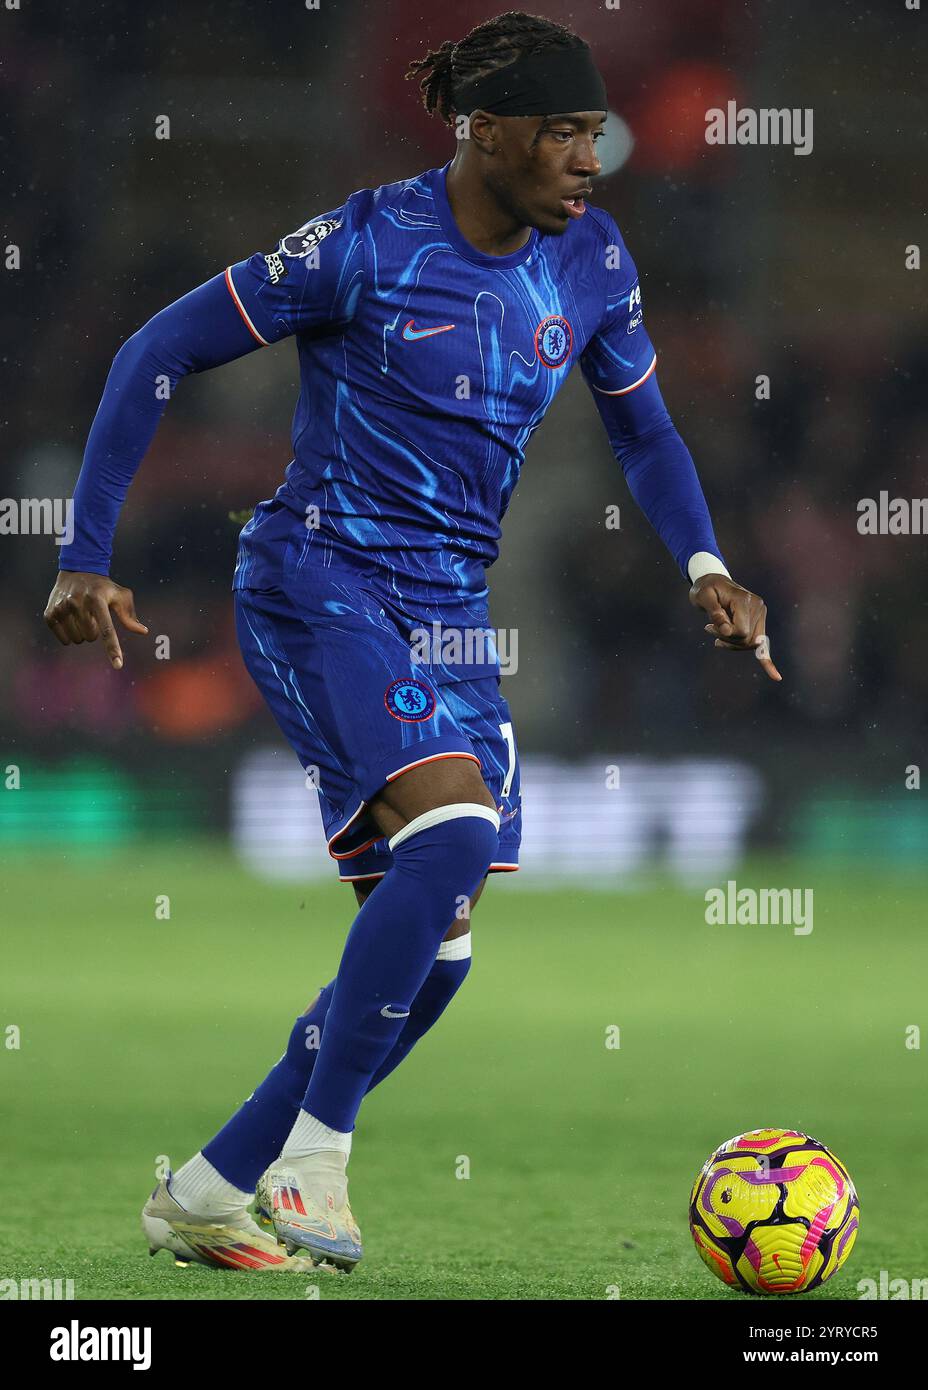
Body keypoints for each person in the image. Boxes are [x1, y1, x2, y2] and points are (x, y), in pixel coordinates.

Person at [44, 11, 779, 1276]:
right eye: (561, 135)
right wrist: (85, 553)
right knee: (452, 831)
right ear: (485, 132)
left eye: (593, 136)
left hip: (447, 614)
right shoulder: (366, 243)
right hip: (315, 577)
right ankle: (312, 1163)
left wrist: (706, 564)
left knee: (434, 960)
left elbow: (647, 435)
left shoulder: (594, 261)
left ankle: (211, 1187)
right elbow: (156, 348)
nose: (588, 160)